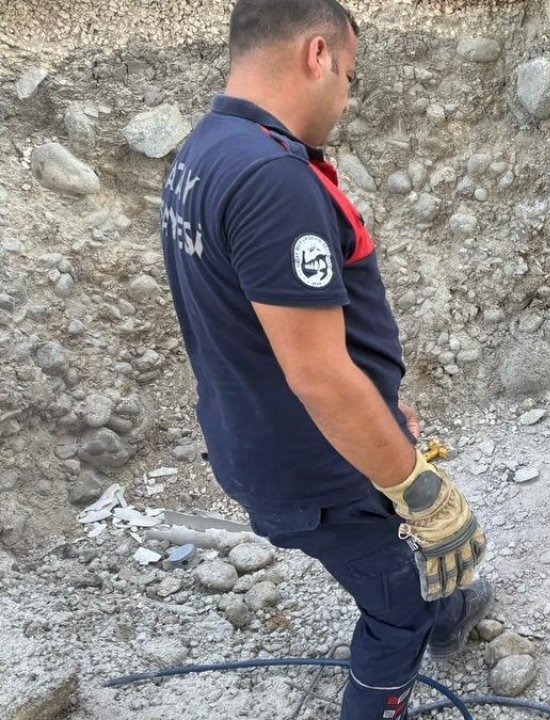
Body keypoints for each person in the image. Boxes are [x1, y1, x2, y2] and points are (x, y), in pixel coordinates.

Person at [160, 1, 490, 717]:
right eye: (349, 76)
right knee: (395, 612)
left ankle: (452, 611)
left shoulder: (207, 150)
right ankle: (407, 651)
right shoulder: (271, 180)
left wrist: (379, 400)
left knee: (395, 569)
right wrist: (420, 491)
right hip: (313, 466)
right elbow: (317, 374)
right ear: (319, 54)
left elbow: (262, 329)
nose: (346, 98)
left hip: (261, 438)